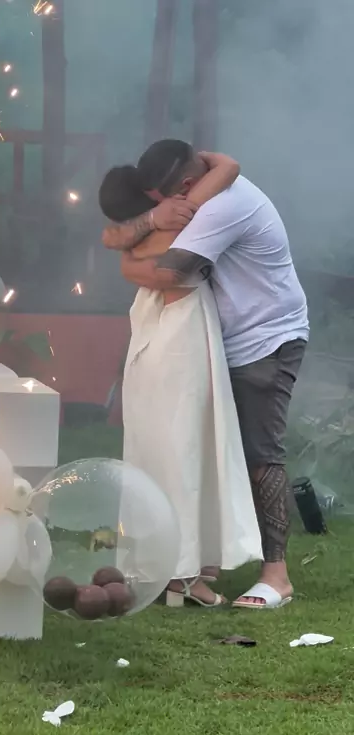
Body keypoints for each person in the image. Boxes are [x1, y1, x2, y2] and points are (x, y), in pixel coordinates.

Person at [111, 140, 309, 610]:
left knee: (260, 453)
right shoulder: (208, 185)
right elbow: (123, 236)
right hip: (223, 341)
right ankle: (199, 570)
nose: (167, 211)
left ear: (184, 186)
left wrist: (126, 260)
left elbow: (167, 273)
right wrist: (148, 226)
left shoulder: (224, 206)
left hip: (265, 341)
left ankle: (276, 577)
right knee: (213, 451)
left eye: (166, 200)